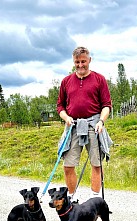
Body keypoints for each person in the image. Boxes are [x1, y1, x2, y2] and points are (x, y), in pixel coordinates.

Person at [56, 46, 113, 201]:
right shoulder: (66, 81)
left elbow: (106, 105)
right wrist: (66, 117)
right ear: (73, 62)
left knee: (96, 164)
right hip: (72, 125)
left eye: (83, 61)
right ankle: (72, 199)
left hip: (94, 125)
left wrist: (101, 121)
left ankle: (95, 200)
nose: (80, 65)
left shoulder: (99, 79)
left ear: (89, 60)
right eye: (77, 62)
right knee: (68, 165)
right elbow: (60, 106)